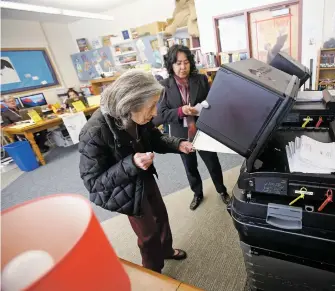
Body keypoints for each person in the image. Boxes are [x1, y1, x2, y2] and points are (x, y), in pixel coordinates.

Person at [78, 70, 193, 273]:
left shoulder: (140, 116)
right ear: (129, 105)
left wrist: (178, 144)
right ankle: (153, 273)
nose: (156, 113)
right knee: (148, 235)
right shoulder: (94, 131)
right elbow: (93, 182)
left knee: (161, 215)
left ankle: (166, 250)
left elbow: (155, 138)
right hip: (125, 188)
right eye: (151, 107)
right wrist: (131, 164)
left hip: (144, 176)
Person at [155, 45, 230, 210]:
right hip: (181, 134)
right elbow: (161, 114)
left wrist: (202, 107)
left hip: (202, 129)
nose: (183, 67)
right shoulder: (164, 86)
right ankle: (197, 193)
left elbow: (213, 101)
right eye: (178, 63)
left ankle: (222, 190)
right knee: (190, 166)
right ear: (171, 65)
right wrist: (181, 111)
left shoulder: (201, 80)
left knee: (213, 163)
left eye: (186, 62)